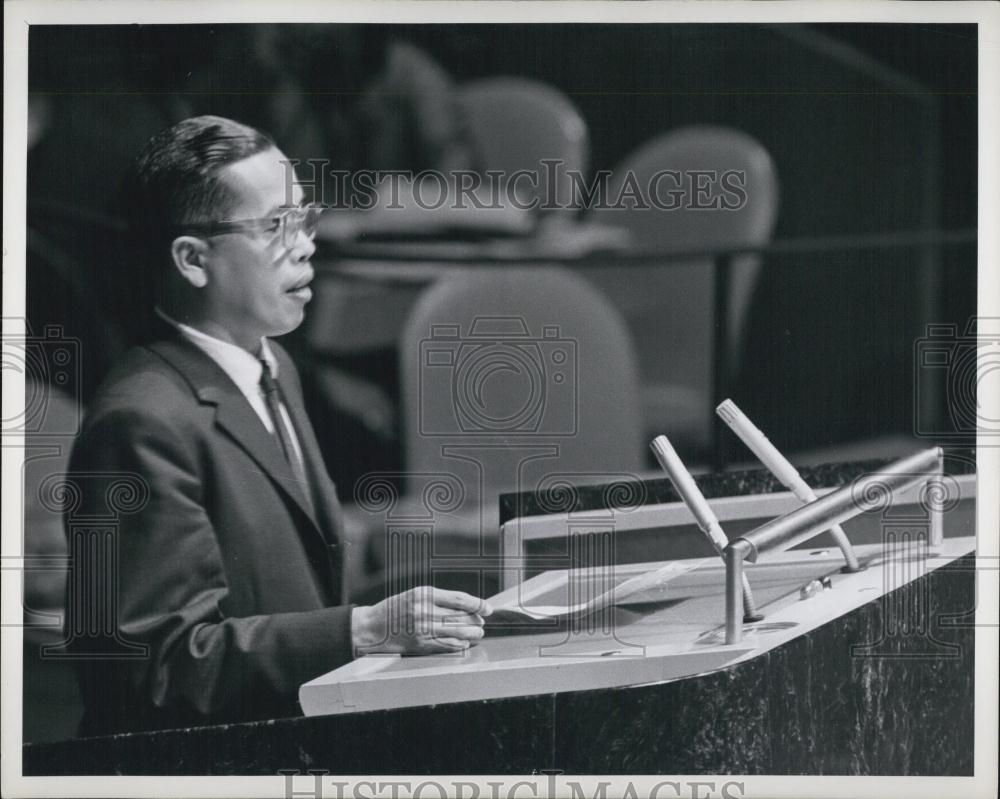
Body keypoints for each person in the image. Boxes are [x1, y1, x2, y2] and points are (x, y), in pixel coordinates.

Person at [64, 115, 492, 737]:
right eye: (273, 227)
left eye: (304, 216)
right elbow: (153, 671)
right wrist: (363, 630)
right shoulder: (141, 421)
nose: (305, 243)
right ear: (191, 259)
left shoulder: (273, 363)